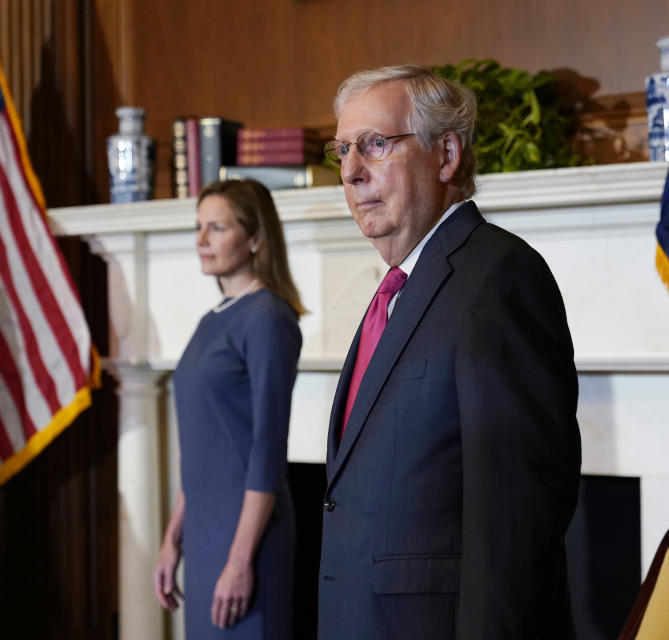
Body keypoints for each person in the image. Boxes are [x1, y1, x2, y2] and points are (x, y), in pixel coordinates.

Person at [318, 65, 581, 639]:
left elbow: (517, 522)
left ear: (446, 155)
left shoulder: (499, 278)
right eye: (341, 151)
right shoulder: (400, 288)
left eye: (375, 145)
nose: (352, 172)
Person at [153, 179, 305, 638]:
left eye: (216, 228)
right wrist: (172, 537)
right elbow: (204, 446)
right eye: (199, 227)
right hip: (204, 533)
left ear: (256, 237)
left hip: (248, 541)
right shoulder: (211, 320)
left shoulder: (268, 317)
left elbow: (266, 449)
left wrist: (240, 560)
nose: (201, 241)